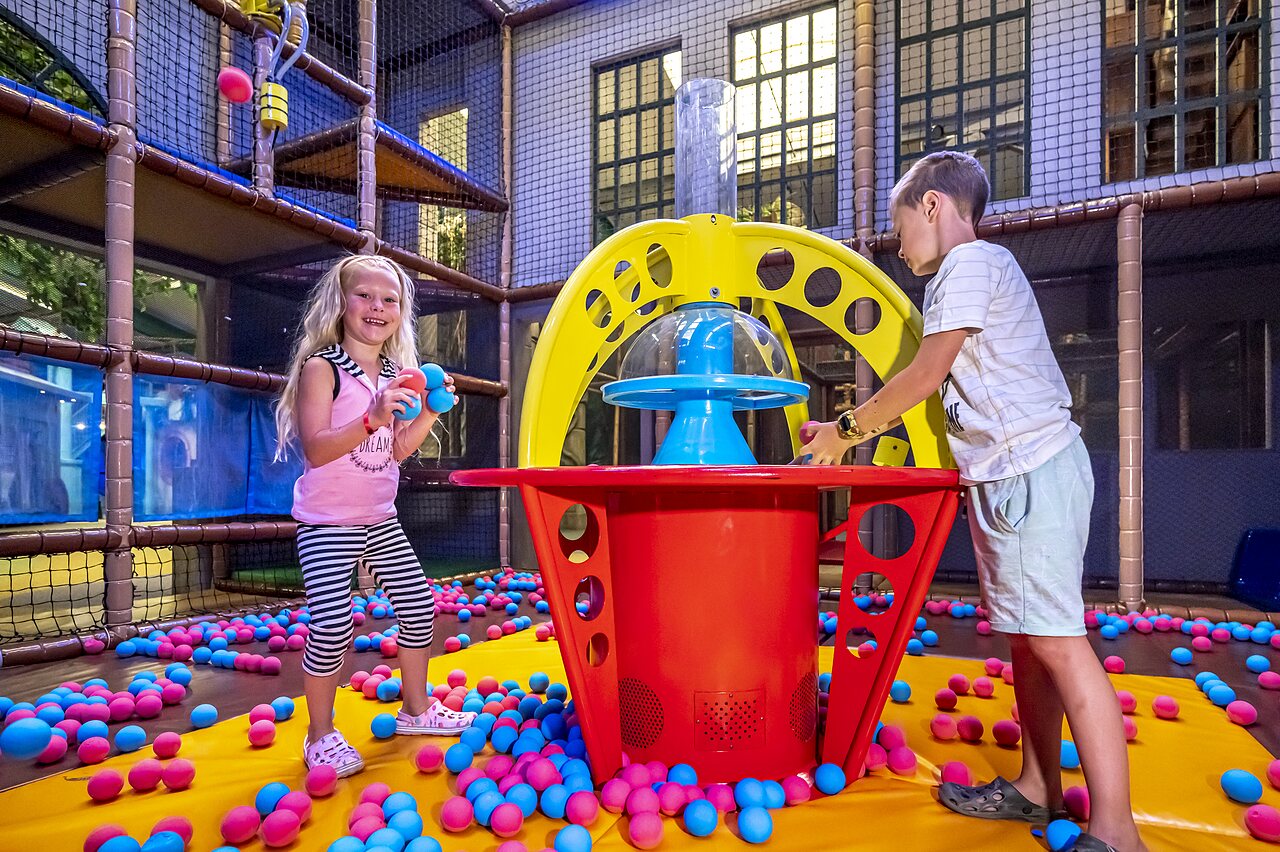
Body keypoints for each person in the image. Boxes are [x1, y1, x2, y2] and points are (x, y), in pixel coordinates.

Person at [798, 151, 1146, 852]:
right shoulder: (976, 273)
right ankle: (1037, 787)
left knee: (1058, 645)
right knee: (1029, 644)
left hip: (1028, 474)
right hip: (1007, 477)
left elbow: (927, 374)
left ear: (932, 206)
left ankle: (1118, 832)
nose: (899, 248)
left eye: (900, 230)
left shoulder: (968, 266)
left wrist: (844, 432)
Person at [274, 254, 475, 777]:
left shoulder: (393, 373)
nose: (377, 307)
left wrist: (428, 410)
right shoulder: (322, 367)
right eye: (365, 295)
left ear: (400, 313)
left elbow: (395, 450)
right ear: (341, 302)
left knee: (418, 605)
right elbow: (317, 449)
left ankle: (415, 709)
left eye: (389, 300)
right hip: (327, 521)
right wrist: (373, 414)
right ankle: (319, 735)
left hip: (379, 517)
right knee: (333, 626)